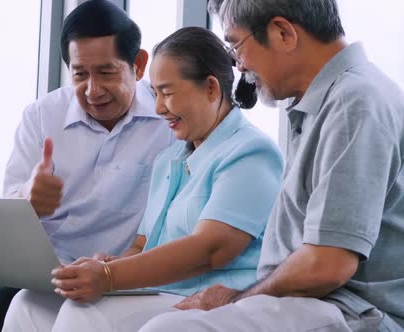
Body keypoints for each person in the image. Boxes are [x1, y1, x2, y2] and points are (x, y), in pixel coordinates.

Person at [0, 1, 174, 331]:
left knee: (4, 304)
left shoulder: (167, 118)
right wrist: (28, 197)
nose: (93, 90)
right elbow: (7, 208)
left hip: (99, 270)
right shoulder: (42, 115)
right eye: (80, 75)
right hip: (28, 259)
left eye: (106, 73)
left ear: (138, 65)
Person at [138, 0, 404, 331]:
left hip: (353, 313)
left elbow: (327, 265)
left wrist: (237, 300)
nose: (237, 64)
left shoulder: (355, 103)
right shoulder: (326, 103)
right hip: (312, 304)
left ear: (282, 33)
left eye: (236, 44)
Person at [2, 26, 284, 332]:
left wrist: (110, 277)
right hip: (159, 293)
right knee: (29, 304)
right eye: (157, 93)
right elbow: (142, 243)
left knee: (88, 315)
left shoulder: (251, 151)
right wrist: (111, 264)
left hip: (207, 299)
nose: (159, 107)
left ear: (211, 89)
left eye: (167, 92)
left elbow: (212, 248)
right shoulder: (169, 160)